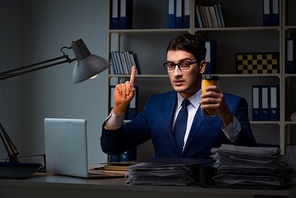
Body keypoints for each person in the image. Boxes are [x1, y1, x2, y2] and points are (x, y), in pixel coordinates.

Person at [101, 34, 257, 159]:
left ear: (202, 66)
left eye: (185, 64)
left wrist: (227, 117)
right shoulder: (156, 105)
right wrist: (119, 109)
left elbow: (251, 154)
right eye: (170, 65)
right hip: (164, 191)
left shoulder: (232, 104)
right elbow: (112, 147)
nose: (176, 73)